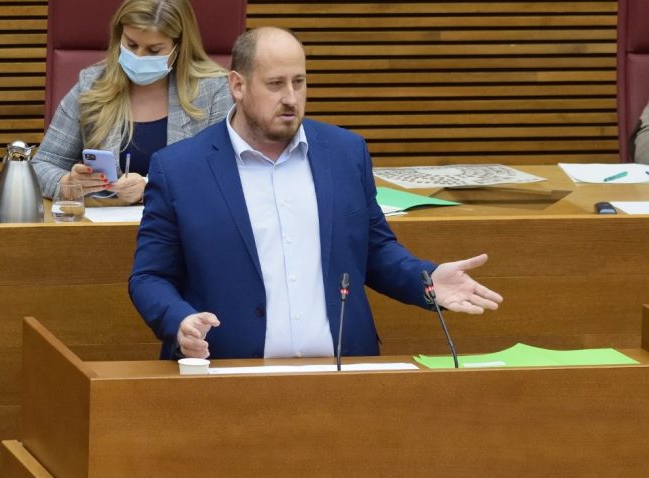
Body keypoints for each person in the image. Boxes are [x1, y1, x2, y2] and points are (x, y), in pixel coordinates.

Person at [129, 27, 503, 360]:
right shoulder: (180, 169)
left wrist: (427, 278)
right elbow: (150, 277)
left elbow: (373, 250)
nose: (291, 98)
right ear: (237, 86)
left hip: (342, 373)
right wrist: (178, 322)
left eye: (300, 82)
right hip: (229, 372)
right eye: (275, 84)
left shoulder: (344, 153)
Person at [31, 0, 232, 204]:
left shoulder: (212, 90)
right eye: (131, 44)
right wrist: (67, 183)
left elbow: (226, 174)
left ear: (179, 47)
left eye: (154, 50)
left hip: (182, 231)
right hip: (103, 229)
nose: (138, 56)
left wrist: (151, 187)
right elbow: (41, 165)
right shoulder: (91, 85)